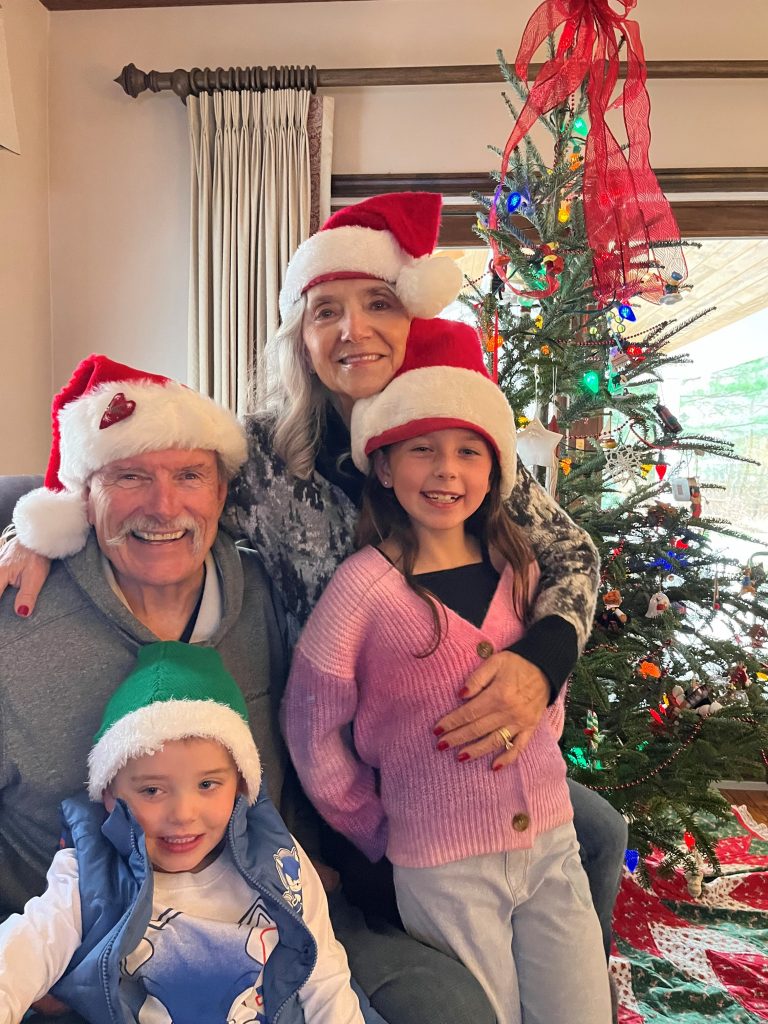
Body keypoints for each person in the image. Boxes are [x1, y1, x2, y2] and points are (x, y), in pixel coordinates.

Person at [2, 194, 625, 993]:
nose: (353, 331)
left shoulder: (450, 446)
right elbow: (152, 488)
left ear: (412, 318)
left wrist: (540, 665)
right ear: (300, 331)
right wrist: (34, 529)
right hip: (342, 751)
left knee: (598, 833)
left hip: (459, 735)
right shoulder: (260, 456)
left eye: (379, 304)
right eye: (326, 310)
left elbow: (571, 553)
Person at [0, 352, 479, 1024]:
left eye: (189, 475)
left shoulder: (262, 595)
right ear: (86, 495)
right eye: (129, 476)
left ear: (222, 494)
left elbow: (324, 726)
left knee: (452, 1008)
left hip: (275, 912)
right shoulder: (17, 623)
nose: (163, 505)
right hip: (84, 952)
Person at [282, 318, 612, 1024]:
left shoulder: (519, 566)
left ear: (495, 469)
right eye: (423, 451)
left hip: (551, 843)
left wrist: (537, 704)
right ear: (383, 465)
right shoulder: (360, 592)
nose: (447, 471)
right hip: (441, 866)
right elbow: (311, 727)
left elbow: (543, 694)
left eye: (469, 452)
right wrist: (374, 826)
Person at [0, 641, 367, 1024]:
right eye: (152, 790)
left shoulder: (278, 860)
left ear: (241, 786)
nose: (183, 814)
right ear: (109, 795)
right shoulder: (89, 875)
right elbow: (29, 946)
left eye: (208, 785)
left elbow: (323, 976)